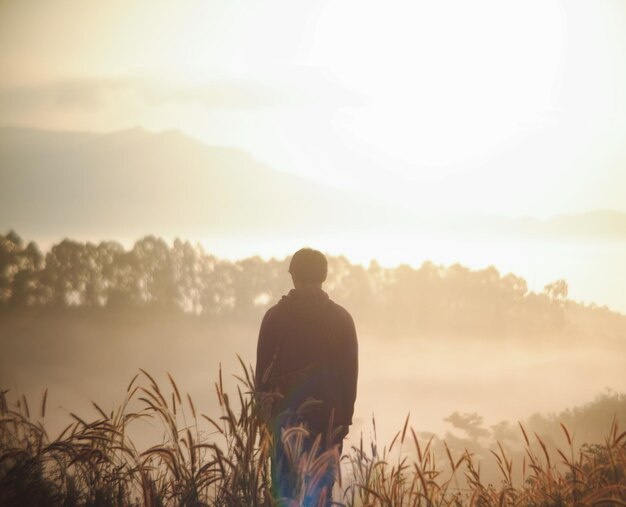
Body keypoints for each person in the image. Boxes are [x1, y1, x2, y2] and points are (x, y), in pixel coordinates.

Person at [255, 248, 358, 506]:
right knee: (321, 497)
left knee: (286, 498)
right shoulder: (342, 319)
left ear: (293, 276)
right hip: (328, 426)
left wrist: (264, 422)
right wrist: (342, 423)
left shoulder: (274, 318)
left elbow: (262, 380)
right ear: (323, 276)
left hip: (283, 426)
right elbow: (350, 378)